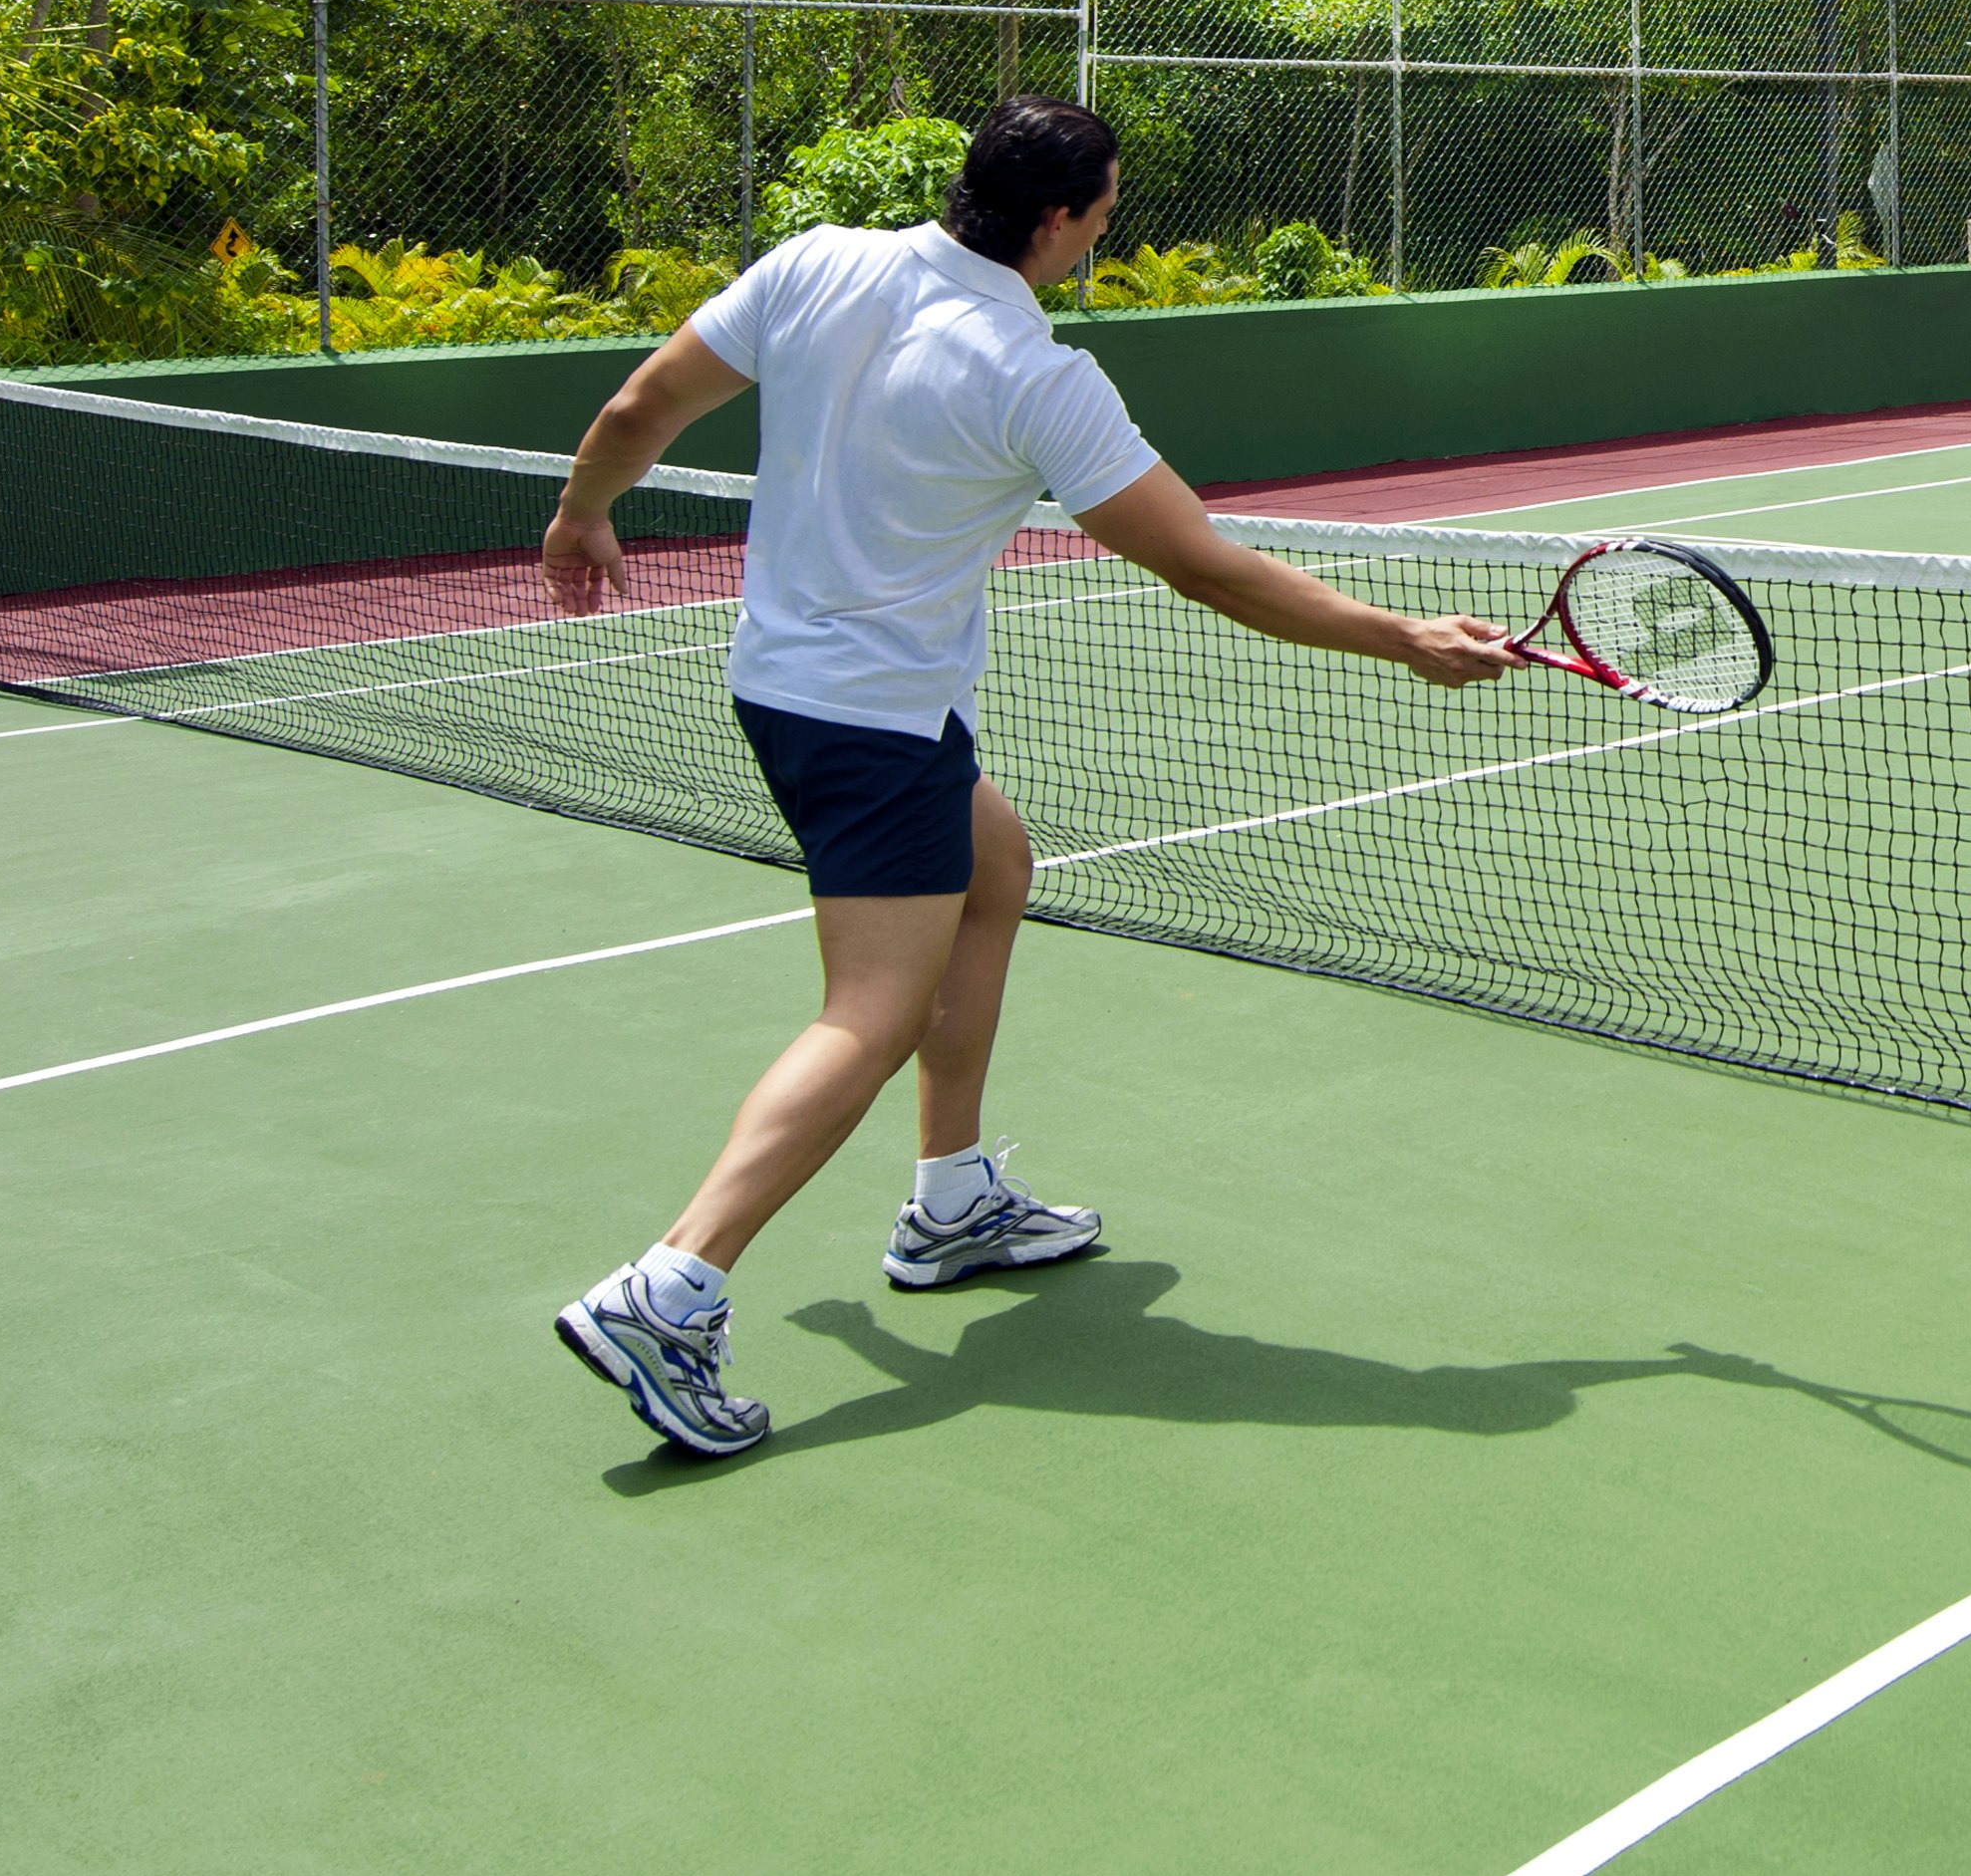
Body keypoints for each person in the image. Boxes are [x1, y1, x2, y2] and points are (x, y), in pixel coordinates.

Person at [528, 98, 1522, 1462]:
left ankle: (951, 1201)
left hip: (783, 683)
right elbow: (1203, 564)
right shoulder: (1034, 373)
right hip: (870, 723)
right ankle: (673, 1287)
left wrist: (584, 508)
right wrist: (1401, 636)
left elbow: (643, 403)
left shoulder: (817, 259)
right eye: (1106, 215)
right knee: (867, 1014)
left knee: (996, 864)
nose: (1106, 234)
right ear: (1057, 220)